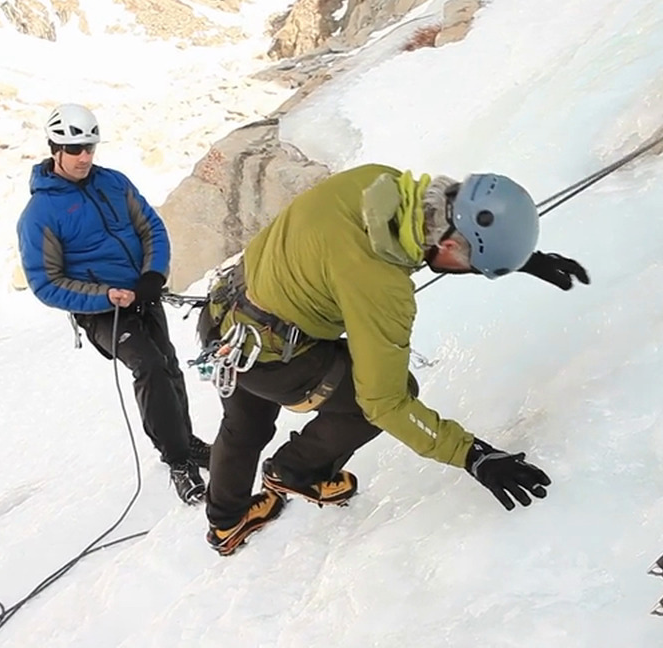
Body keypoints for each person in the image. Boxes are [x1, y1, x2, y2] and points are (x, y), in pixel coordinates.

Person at [195, 163, 590, 555]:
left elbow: (441, 237)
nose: (471, 272)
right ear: (450, 247)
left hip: (225, 318)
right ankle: (296, 472)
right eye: (473, 266)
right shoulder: (381, 287)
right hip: (272, 358)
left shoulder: (376, 181)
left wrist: (523, 258)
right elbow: (385, 404)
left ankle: (225, 521)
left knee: (244, 426)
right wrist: (475, 456)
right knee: (379, 396)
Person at [16, 103, 211, 505]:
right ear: (55, 150)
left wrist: (152, 275)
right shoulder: (39, 214)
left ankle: (185, 440)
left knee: (168, 364)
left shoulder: (114, 183)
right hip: (102, 312)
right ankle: (178, 461)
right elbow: (45, 282)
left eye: (89, 147)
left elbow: (151, 227)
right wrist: (104, 296)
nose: (84, 157)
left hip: (143, 293)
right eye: (75, 150)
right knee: (149, 366)